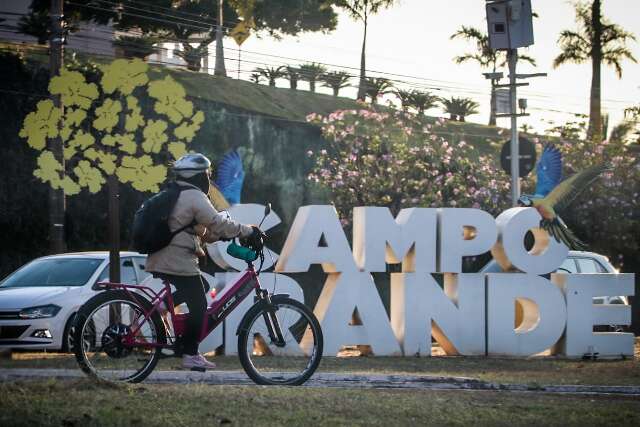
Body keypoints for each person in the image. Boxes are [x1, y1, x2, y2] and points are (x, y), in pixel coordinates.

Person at [145, 153, 261, 370]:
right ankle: (190, 353)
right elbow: (216, 222)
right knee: (199, 305)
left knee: (203, 286)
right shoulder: (194, 197)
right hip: (174, 259)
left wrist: (221, 234)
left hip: (166, 257)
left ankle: (162, 307)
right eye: (207, 174)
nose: (208, 178)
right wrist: (248, 231)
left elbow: (202, 230)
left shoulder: (177, 193)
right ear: (197, 176)